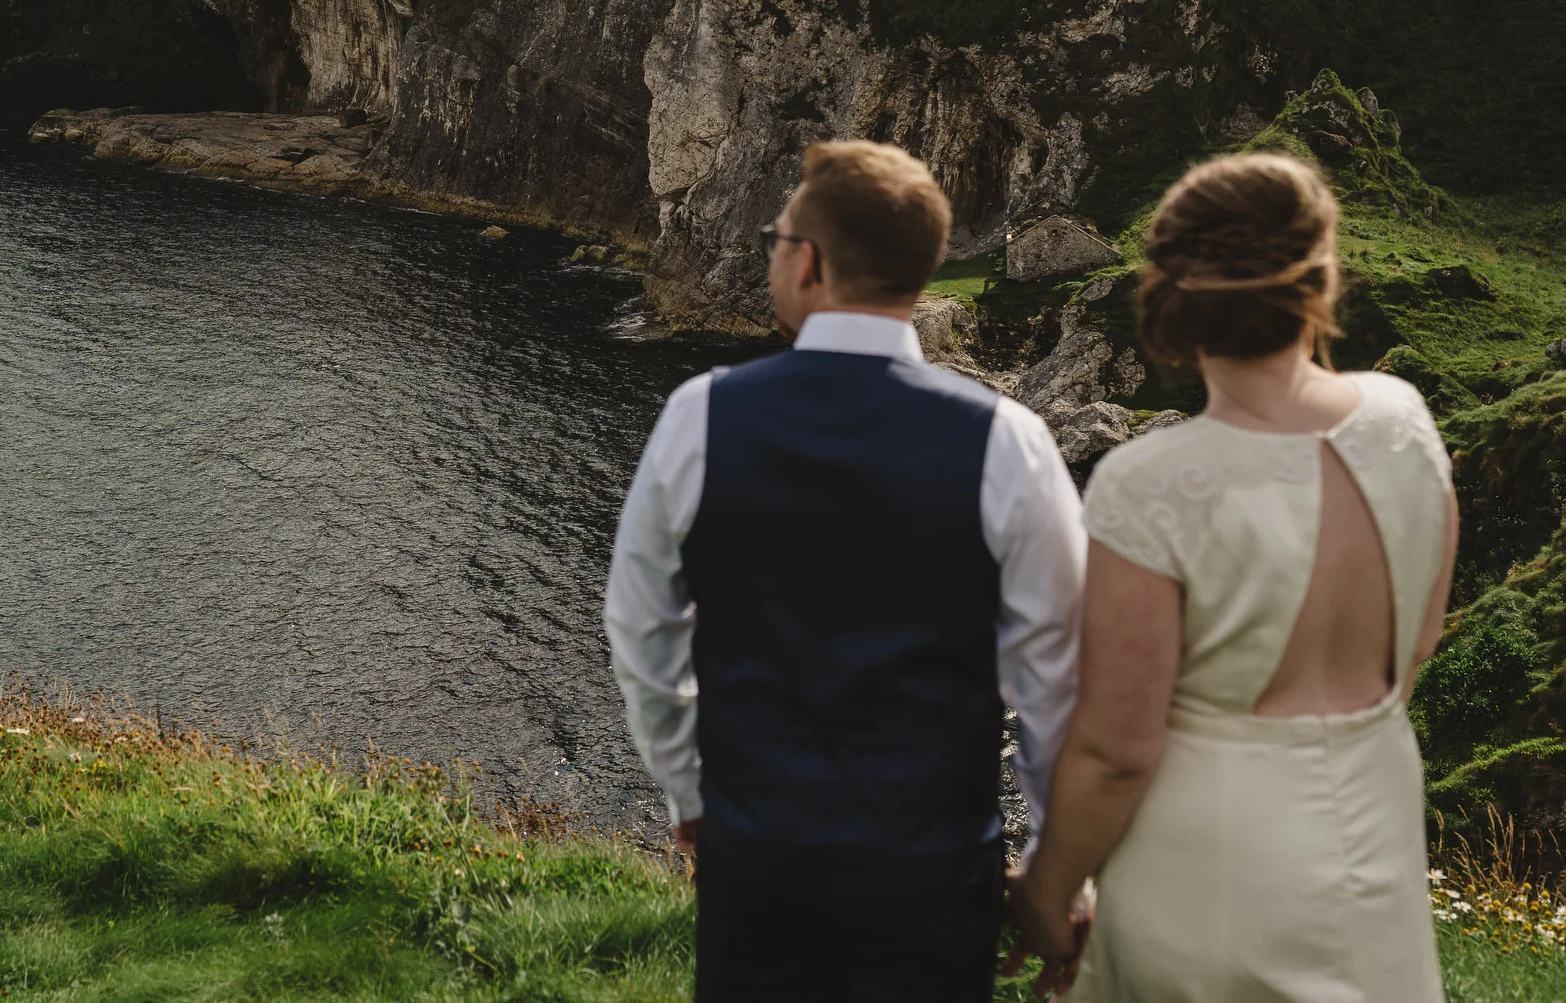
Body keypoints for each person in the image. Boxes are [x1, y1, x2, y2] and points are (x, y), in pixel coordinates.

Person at [605, 140, 1087, 1001]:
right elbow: (1058, 679)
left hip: (759, 854)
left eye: (776, 239)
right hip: (936, 868)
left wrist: (689, 790)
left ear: (811, 262)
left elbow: (643, 629)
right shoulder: (1010, 441)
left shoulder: (699, 417)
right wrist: (1055, 867)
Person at [1012, 152, 1459, 1001]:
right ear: (1319, 276)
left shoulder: (1149, 482)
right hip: (1372, 834)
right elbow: (1416, 645)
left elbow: (1115, 750)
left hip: (1209, 865)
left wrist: (1046, 891)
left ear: (1173, 296)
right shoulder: (1405, 420)